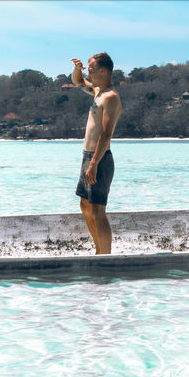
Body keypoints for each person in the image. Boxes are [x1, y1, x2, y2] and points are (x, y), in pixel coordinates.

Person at [70, 52, 121, 254]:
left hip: (100, 159)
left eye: (91, 69)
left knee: (98, 210)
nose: (88, 73)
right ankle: (98, 250)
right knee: (85, 206)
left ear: (102, 70)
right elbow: (78, 82)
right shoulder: (97, 91)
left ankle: (105, 254)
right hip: (88, 156)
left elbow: (106, 134)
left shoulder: (111, 98)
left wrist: (94, 164)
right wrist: (77, 69)